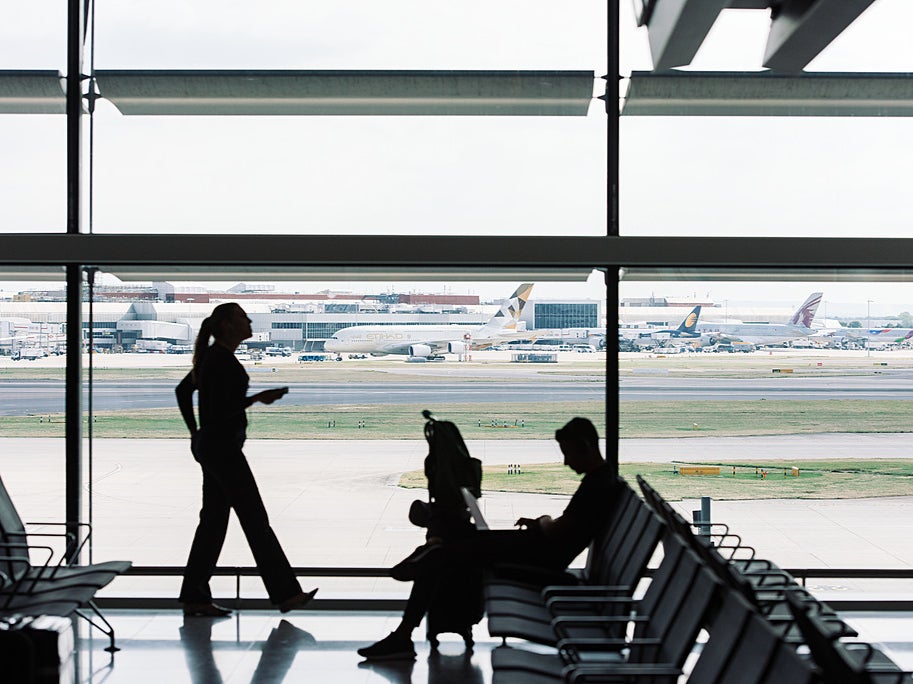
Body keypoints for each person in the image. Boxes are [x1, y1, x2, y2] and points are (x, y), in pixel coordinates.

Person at [357, 417, 617, 660]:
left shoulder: (597, 486)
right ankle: (429, 557)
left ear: (584, 447)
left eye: (567, 453)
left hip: (540, 560)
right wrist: (543, 523)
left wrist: (543, 520)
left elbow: (556, 529)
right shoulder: (602, 481)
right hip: (538, 549)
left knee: (447, 554)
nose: (565, 462)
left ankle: (417, 588)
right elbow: (564, 527)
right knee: (459, 544)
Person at [176, 302, 317, 617]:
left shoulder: (213, 357)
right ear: (227, 325)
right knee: (255, 520)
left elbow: (183, 392)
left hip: (213, 446)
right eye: (242, 317)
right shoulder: (219, 359)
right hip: (223, 449)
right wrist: (255, 399)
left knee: (213, 523)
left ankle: (194, 596)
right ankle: (286, 594)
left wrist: (194, 433)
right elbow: (222, 407)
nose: (249, 320)